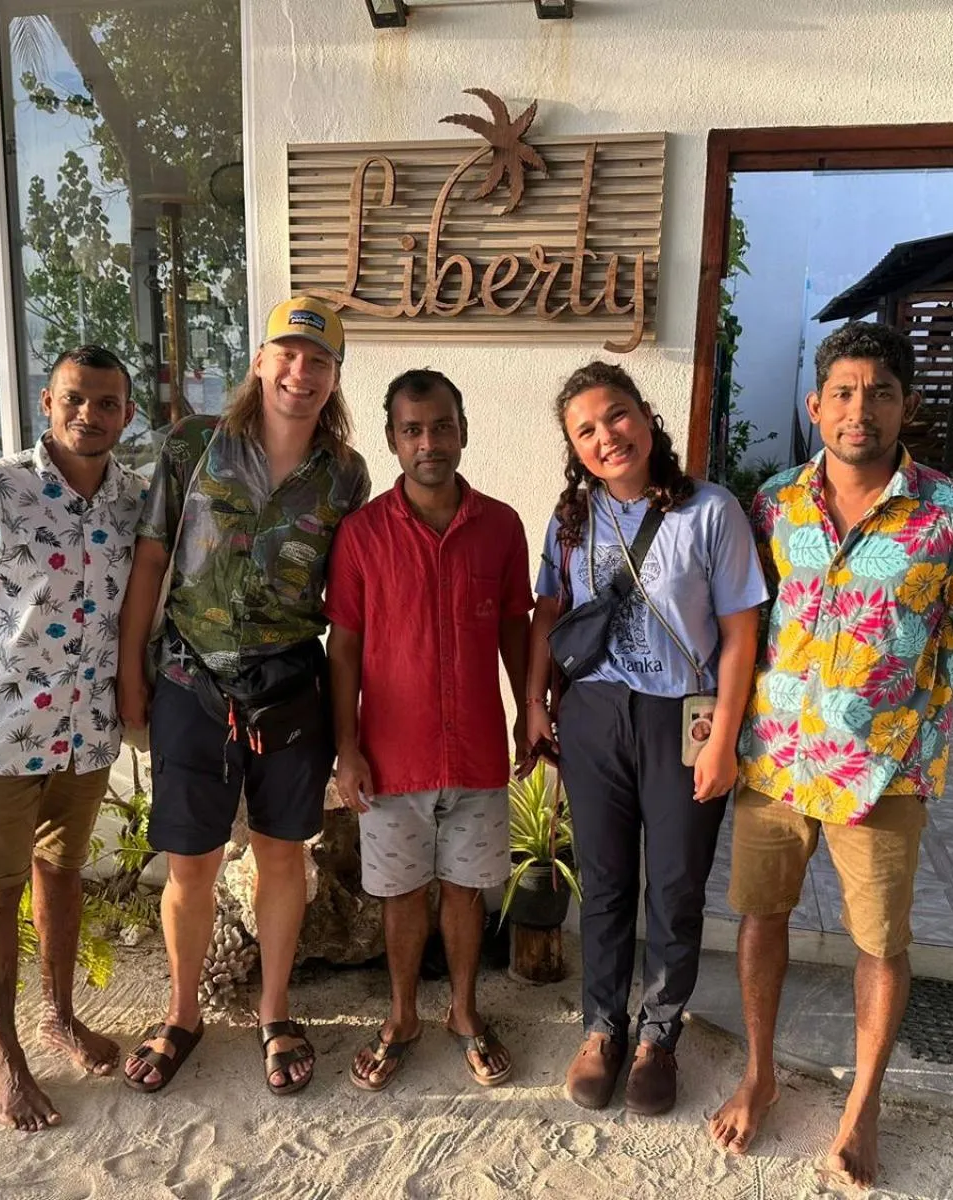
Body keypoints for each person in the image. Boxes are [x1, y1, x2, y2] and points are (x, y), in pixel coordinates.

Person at [708, 321, 953, 1187]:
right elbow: (745, 625)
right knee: (760, 918)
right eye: (843, 390)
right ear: (815, 404)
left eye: (880, 391)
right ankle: (761, 1073)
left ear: (905, 404)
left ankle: (863, 1102)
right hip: (775, 763)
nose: (860, 408)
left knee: (879, 942)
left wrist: (906, 704)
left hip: (884, 772)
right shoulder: (772, 503)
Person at [116, 297, 370, 1096]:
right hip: (190, 683)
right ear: (260, 361)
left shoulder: (346, 474)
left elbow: (352, 604)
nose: (302, 372)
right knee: (190, 863)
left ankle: (273, 1011)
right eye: (288, 354)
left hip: (290, 688)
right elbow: (152, 562)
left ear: (333, 379)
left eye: (319, 361)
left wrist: (355, 723)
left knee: (281, 855)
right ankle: (183, 1012)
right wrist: (132, 674)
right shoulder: (193, 444)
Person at [522, 361, 767, 1117]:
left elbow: (739, 633)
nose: (607, 436)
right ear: (574, 447)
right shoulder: (571, 518)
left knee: (675, 882)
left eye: (617, 415)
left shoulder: (711, 511)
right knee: (603, 880)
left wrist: (724, 736)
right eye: (587, 430)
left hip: (683, 717)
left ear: (645, 417)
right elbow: (548, 612)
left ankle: (660, 1035)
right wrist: (534, 702)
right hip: (595, 713)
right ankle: (603, 1028)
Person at [0, 345, 145, 1132]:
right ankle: (2, 1053)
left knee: (63, 875)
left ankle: (58, 1014)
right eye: (75, 399)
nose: (90, 415)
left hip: (85, 736)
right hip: (0, 735)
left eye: (108, 403)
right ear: (47, 402)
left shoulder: (133, 502)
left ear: (128, 414)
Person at [326, 368, 533, 1092]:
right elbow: (344, 648)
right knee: (401, 893)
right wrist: (346, 748)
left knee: (467, 891)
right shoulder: (361, 536)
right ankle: (405, 1014)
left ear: (463, 430)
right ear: (392, 441)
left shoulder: (501, 527)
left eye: (441, 426)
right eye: (412, 430)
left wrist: (528, 712)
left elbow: (516, 629)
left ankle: (466, 1013)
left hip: (474, 752)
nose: (428, 442)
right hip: (391, 757)